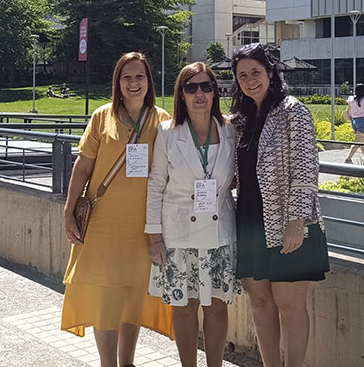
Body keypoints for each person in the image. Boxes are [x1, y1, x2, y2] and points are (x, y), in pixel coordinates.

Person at [61, 52, 173, 367]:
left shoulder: (161, 120)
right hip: (102, 225)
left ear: (149, 81)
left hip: (143, 227)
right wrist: (69, 209)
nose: (133, 83)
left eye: (140, 76)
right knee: (105, 299)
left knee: (132, 296)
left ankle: (127, 363)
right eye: (127, 77)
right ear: (118, 83)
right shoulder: (102, 117)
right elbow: (82, 166)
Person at [229, 43, 329, 367]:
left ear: (271, 72)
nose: (250, 80)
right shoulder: (241, 120)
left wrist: (297, 220)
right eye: (242, 75)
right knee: (259, 303)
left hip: (288, 222)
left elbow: (306, 166)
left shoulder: (293, 111)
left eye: (255, 72)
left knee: (289, 304)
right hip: (249, 221)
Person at [145, 62, 239, 367]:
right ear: (181, 94)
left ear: (215, 91)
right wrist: (154, 235)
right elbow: (156, 184)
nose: (199, 94)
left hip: (219, 231)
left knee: (217, 306)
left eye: (206, 86)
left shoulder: (229, 130)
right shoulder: (168, 133)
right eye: (191, 87)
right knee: (183, 306)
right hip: (178, 234)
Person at [344, 84, 364, 164]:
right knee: (358, 141)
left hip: (354, 120)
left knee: (362, 142)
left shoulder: (351, 99)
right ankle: (348, 158)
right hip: (362, 121)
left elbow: (348, 111)